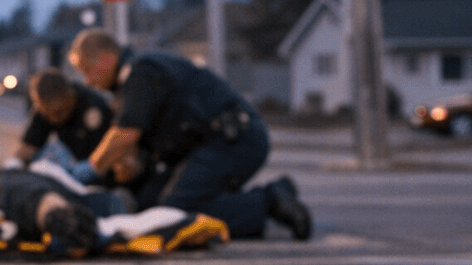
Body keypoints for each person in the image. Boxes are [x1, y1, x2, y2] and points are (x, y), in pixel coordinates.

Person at [66, 27, 312, 240]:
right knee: (150, 204)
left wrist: (88, 170)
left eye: (87, 70)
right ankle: (260, 200)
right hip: (209, 146)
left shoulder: (142, 72)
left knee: (175, 212)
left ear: (105, 59)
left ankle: (269, 201)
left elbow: (125, 135)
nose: (87, 81)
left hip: (233, 140)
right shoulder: (127, 86)